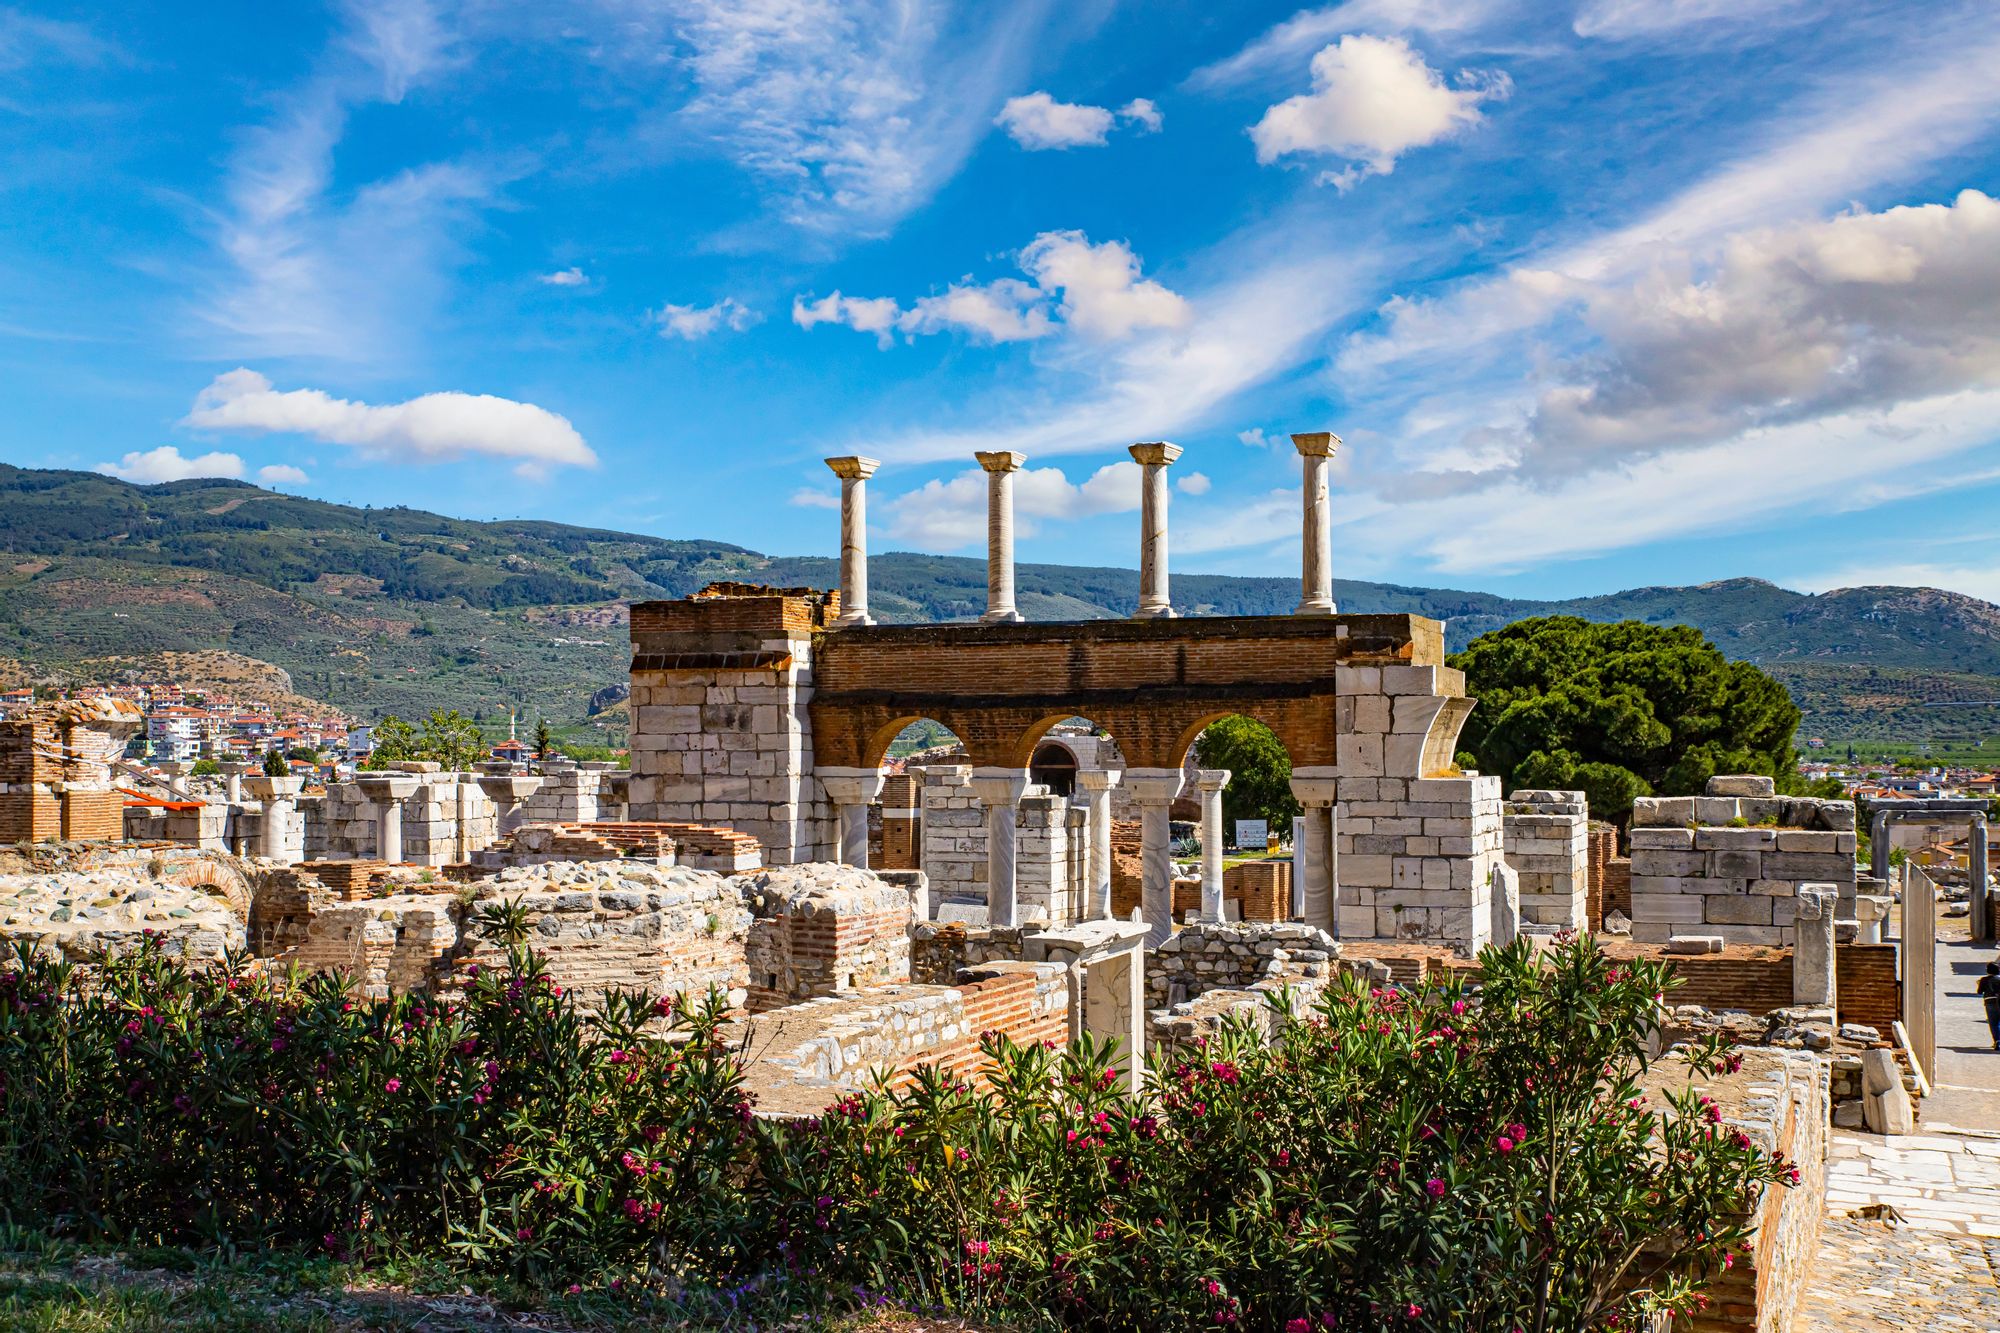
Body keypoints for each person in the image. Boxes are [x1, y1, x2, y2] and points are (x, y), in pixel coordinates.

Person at [1980, 962, 2000, 1051]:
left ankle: (1997, 1041)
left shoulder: (1984, 979)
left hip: (1990, 1001)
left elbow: (1979, 991)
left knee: (1993, 1023)